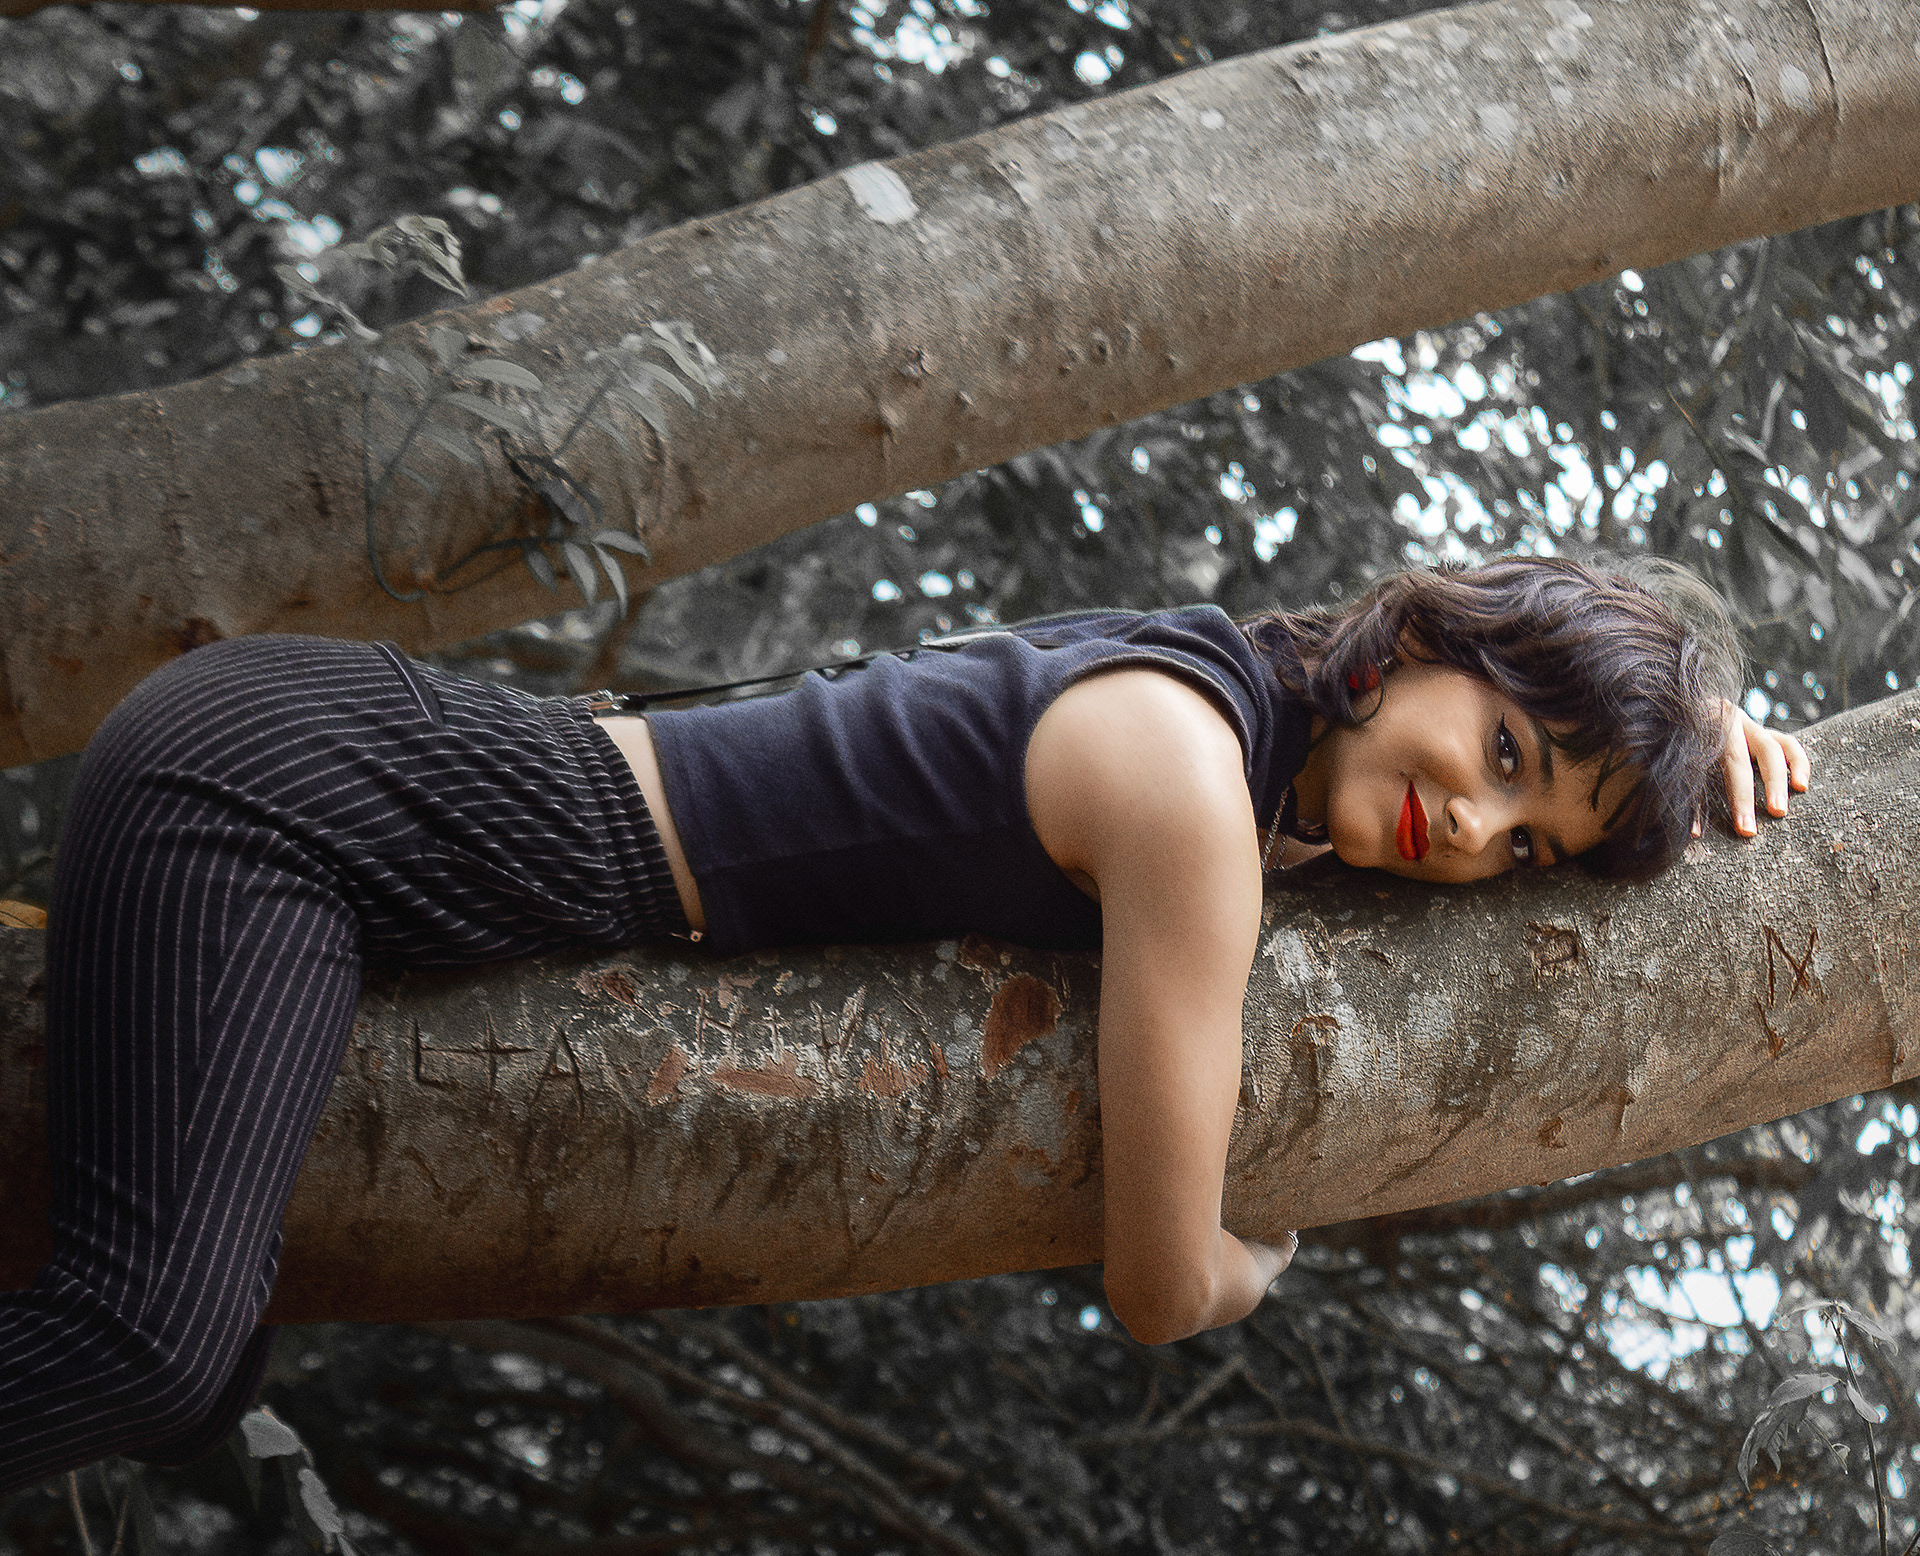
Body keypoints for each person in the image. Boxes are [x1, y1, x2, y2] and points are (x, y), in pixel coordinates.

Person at [0, 554, 1807, 1490]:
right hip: (290, 801)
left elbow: (1427, 763)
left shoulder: (1237, 712)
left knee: (206, 1375)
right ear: (1411, 642)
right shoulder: (1186, 792)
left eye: (1531, 841)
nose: (1476, 827)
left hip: (351, 822)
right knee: (147, 1346)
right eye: (1504, 751)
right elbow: (1155, 1283)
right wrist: (1250, 1266)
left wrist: (1693, 734)